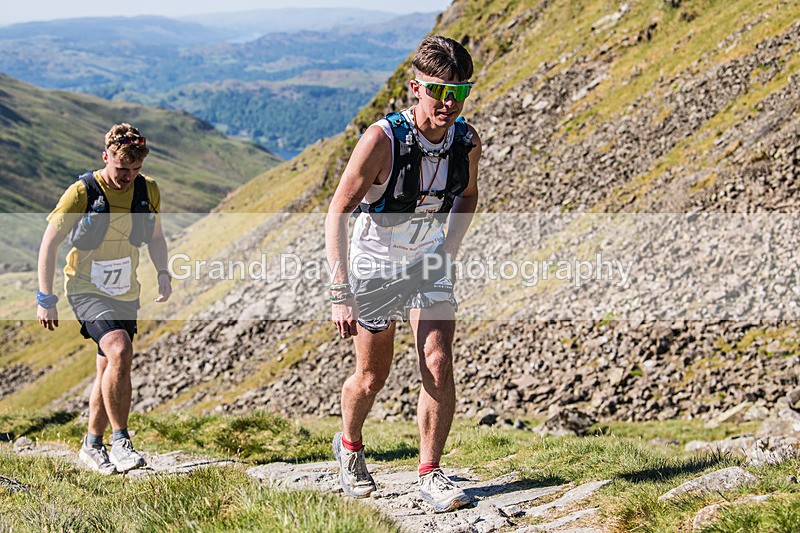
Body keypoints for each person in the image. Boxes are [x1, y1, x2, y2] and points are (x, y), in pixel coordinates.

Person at [325, 36, 481, 512]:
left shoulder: (467, 141)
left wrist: (447, 251)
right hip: (374, 264)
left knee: (437, 360)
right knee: (372, 377)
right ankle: (349, 447)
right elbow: (338, 210)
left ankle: (430, 473)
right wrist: (339, 289)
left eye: (460, 92)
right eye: (439, 91)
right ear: (416, 87)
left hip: (427, 262)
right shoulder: (381, 141)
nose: (449, 104)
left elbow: (468, 195)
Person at [36, 123, 172, 475]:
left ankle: (91, 446)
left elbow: (156, 236)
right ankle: (121, 441)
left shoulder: (148, 190)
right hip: (85, 287)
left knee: (108, 368)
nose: (127, 177)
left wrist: (163, 273)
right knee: (119, 349)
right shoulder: (82, 191)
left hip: (125, 290)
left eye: (135, 170)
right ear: (105, 157)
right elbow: (49, 243)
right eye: (121, 169)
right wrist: (45, 296)